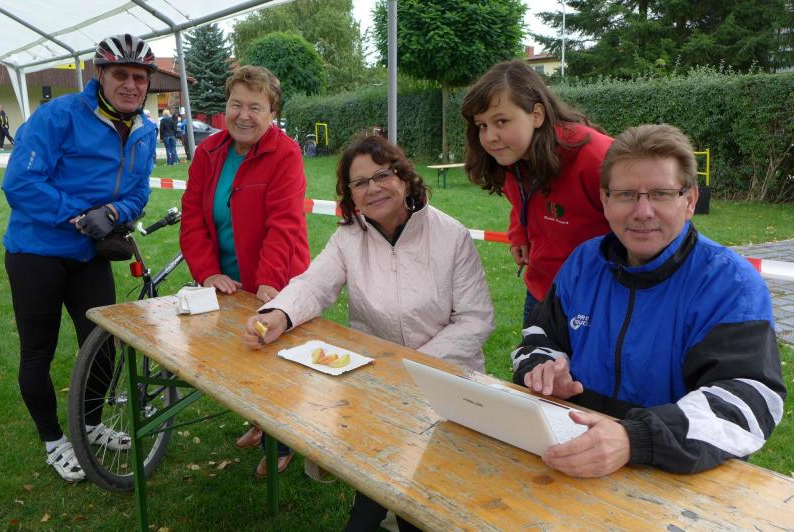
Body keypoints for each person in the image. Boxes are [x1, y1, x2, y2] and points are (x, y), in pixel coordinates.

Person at [242, 135, 495, 531]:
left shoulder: (451, 235)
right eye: (360, 183)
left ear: (405, 178)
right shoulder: (349, 238)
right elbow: (313, 285)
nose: (372, 188)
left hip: (446, 386)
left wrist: (411, 366)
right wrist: (278, 313)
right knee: (379, 481)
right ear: (351, 196)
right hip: (378, 387)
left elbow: (475, 319)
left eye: (382, 176)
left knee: (422, 499)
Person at [511, 124, 786, 478]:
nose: (642, 211)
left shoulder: (731, 284)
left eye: (660, 194)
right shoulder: (582, 263)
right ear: (605, 201)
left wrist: (634, 438)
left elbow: (747, 400)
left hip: (680, 479)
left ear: (690, 201)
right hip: (578, 458)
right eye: (626, 194)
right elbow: (539, 337)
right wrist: (544, 370)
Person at [1, 34, 158, 482]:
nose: (131, 85)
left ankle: (90, 426)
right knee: (39, 350)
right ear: (100, 74)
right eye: (121, 74)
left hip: (90, 252)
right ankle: (54, 442)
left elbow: (138, 192)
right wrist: (80, 216)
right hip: (37, 251)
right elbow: (21, 183)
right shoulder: (59, 115)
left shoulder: (145, 130)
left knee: (103, 343)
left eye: (139, 78)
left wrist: (112, 213)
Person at [179, 65, 310, 479]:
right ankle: (259, 420)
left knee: (279, 364)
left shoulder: (285, 153)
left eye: (256, 107)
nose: (244, 115)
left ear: (272, 113)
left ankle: (284, 439)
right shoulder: (208, 152)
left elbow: (284, 223)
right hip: (229, 281)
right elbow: (192, 217)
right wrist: (207, 272)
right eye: (236, 104)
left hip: (277, 278)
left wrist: (269, 281)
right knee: (242, 361)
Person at [461, 60, 613, 328]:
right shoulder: (513, 155)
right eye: (482, 125)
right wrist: (518, 232)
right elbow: (522, 198)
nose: (490, 136)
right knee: (533, 356)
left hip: (600, 296)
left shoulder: (598, 158)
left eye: (501, 121)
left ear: (537, 115)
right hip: (543, 288)